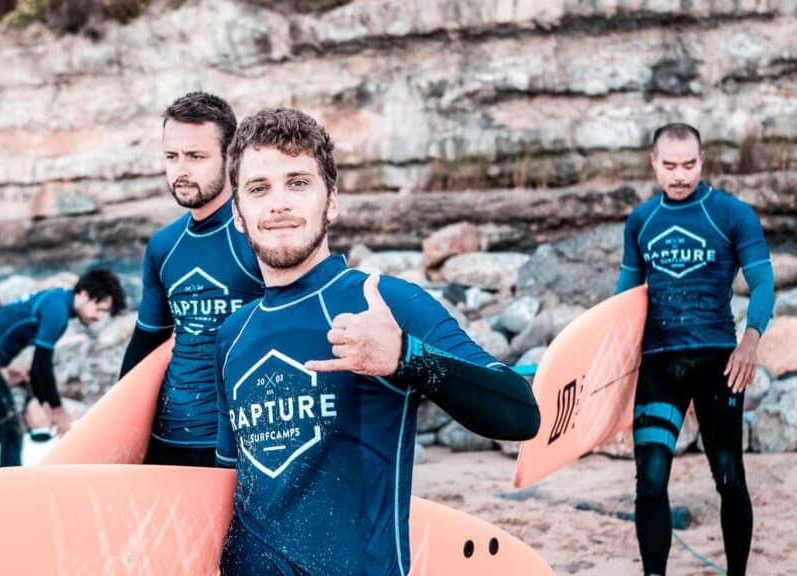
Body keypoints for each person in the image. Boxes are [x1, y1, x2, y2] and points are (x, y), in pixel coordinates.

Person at [213, 107, 541, 575]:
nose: (279, 202)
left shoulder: (384, 303)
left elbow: (520, 412)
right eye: (259, 188)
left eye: (298, 183)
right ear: (239, 214)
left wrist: (407, 357)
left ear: (332, 201)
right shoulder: (232, 335)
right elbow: (228, 484)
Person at [616, 123, 774, 576]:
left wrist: (750, 341)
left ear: (702, 162)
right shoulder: (642, 221)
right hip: (659, 367)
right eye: (670, 166)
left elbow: (762, 281)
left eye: (689, 164)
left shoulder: (731, 213)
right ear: (654, 165)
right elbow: (624, 301)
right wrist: (612, 366)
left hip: (719, 364)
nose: (680, 175)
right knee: (649, 483)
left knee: (728, 477)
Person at [119, 92, 264, 467]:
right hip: (167, 437)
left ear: (230, 157)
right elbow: (145, 343)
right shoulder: (165, 246)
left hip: (238, 441)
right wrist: (121, 430)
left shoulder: (259, 237)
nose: (181, 170)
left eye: (196, 156)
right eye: (172, 156)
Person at [0, 268, 124, 467]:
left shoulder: (57, 300)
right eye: (100, 309)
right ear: (84, 294)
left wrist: (46, 403)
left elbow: (37, 371)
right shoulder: (58, 313)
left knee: (2, 422)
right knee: (11, 428)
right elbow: (41, 366)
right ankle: (8, 488)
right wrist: (57, 410)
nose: (99, 317)